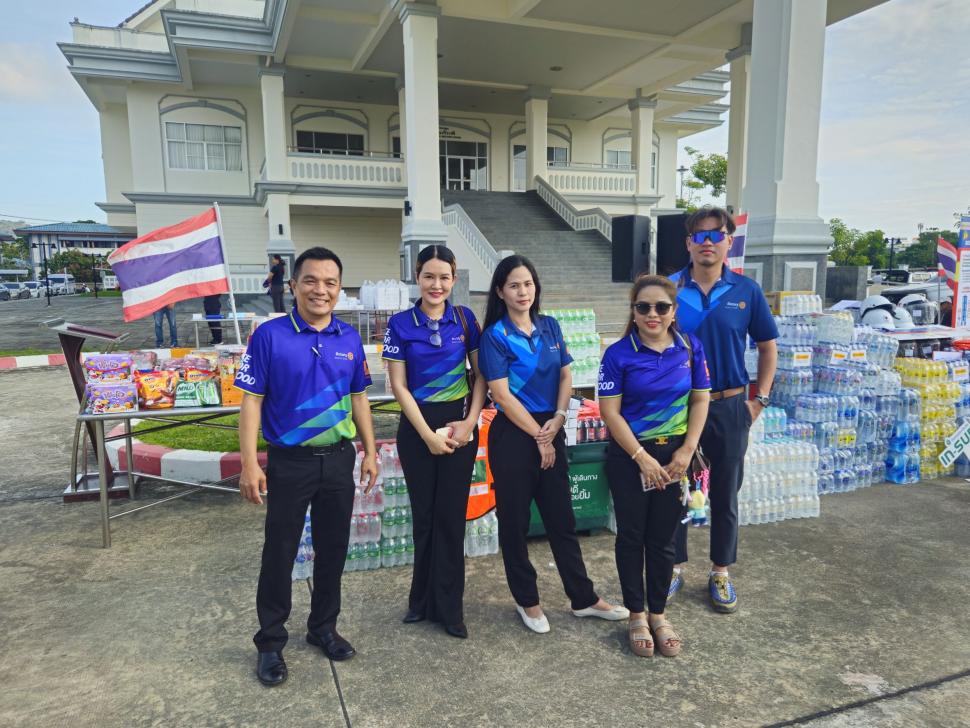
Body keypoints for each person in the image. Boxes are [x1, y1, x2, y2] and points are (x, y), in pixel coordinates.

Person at [236, 246, 379, 687]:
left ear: (340, 289)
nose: (321, 290)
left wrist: (370, 451)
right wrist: (249, 463)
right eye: (311, 281)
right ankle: (270, 643)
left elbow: (359, 398)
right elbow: (251, 401)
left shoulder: (348, 338)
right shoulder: (269, 336)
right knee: (279, 553)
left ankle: (323, 628)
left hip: (338, 461)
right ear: (294, 285)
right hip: (289, 463)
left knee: (333, 549)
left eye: (330, 282)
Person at [478, 254, 628, 633]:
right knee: (514, 522)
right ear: (500, 291)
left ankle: (583, 598)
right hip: (514, 435)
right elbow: (501, 395)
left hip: (551, 425)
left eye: (528, 283)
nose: (522, 291)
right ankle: (527, 600)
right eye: (514, 285)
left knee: (562, 519)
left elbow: (565, 376)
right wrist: (539, 435)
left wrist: (558, 419)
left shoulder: (550, 327)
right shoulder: (495, 336)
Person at [669, 206, 778, 613]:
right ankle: (672, 567)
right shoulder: (670, 289)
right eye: (699, 235)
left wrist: (759, 400)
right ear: (688, 243)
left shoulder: (746, 291)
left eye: (716, 235)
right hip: (678, 407)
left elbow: (768, 348)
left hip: (730, 406)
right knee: (674, 489)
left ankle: (720, 571)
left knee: (725, 494)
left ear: (729, 241)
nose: (708, 242)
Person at [599, 275, 710, 657]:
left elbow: (700, 399)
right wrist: (641, 458)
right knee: (632, 537)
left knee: (664, 540)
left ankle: (658, 614)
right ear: (633, 311)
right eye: (643, 306)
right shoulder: (618, 354)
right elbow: (610, 413)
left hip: (675, 457)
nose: (652, 314)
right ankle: (636, 615)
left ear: (673, 311)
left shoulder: (690, 348)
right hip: (630, 457)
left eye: (661, 307)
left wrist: (687, 451)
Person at [383, 245, 488, 639]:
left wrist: (470, 422)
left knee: (451, 518)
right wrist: (426, 435)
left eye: (444, 277)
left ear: (454, 280)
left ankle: (450, 608)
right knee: (424, 517)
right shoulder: (400, 323)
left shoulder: (465, 319)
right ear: (417, 277)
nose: (436, 284)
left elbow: (480, 375)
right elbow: (398, 385)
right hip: (417, 430)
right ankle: (421, 602)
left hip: (459, 426)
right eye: (429, 276)